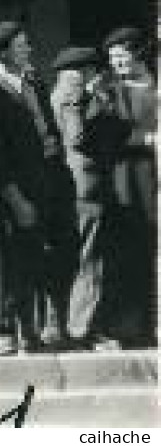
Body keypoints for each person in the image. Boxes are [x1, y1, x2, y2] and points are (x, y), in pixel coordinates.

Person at [0, 22, 71, 353]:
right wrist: (16, 198)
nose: (29, 49)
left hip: (49, 181)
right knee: (20, 259)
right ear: (3, 53)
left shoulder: (35, 85)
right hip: (18, 188)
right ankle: (22, 330)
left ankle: (50, 326)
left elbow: (49, 131)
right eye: (22, 45)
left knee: (51, 255)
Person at [51, 45, 131, 351]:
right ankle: (84, 329)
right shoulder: (73, 97)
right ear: (81, 72)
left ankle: (73, 326)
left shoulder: (58, 96)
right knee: (90, 259)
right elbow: (78, 137)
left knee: (79, 257)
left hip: (75, 186)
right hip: (86, 185)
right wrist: (94, 100)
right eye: (92, 71)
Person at [103, 27, 157, 347]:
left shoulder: (155, 85)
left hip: (154, 175)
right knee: (133, 248)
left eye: (121, 56)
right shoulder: (111, 91)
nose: (116, 63)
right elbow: (111, 136)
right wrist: (147, 140)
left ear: (138, 53)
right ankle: (134, 327)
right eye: (112, 58)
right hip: (129, 178)